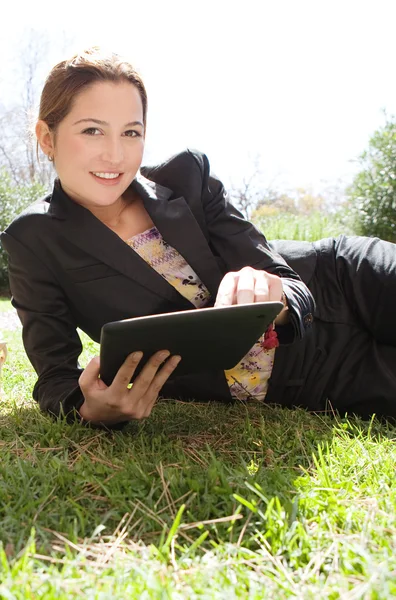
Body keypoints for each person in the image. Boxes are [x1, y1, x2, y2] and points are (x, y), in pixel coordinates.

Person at [1, 48, 395, 428]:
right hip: (318, 379)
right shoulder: (32, 239)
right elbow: (55, 379)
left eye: (131, 132)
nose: (116, 155)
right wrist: (90, 410)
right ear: (47, 137)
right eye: (92, 131)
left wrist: (274, 297)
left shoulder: (188, 176)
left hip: (348, 280)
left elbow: (289, 280)